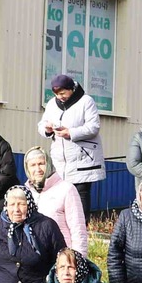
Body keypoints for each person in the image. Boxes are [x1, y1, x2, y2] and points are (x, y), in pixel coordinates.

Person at [38, 73, 104, 222]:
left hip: (83, 157)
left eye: (63, 93)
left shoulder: (86, 101)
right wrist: (47, 129)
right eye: (56, 94)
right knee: (60, 195)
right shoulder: (52, 104)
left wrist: (71, 133)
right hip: (60, 160)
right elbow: (42, 124)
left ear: (71, 89)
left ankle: (81, 227)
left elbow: (93, 127)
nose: (60, 97)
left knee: (80, 194)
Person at [0, 185, 65, 283]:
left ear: (30, 205)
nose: (16, 209)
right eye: (12, 204)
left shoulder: (46, 225)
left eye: (21, 204)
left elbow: (60, 260)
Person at [20, 146, 87, 252]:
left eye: (41, 164)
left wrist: (78, 257)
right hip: (33, 255)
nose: (38, 169)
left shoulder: (66, 189)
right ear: (27, 169)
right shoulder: (24, 192)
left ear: (49, 164)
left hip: (61, 255)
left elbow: (78, 229)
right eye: (33, 165)